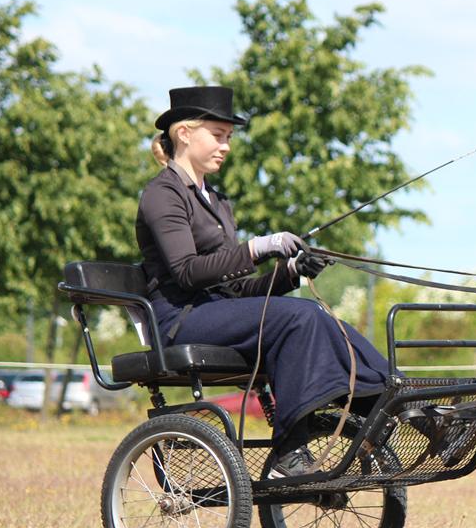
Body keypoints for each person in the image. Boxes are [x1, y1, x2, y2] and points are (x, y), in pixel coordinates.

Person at [136, 85, 392, 475]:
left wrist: (290, 272)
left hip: (218, 312)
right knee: (301, 317)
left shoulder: (218, 202)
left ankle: (397, 404)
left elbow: (238, 289)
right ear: (184, 134)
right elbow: (187, 272)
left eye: (228, 137)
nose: (226, 146)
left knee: (328, 323)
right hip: (181, 319)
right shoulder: (163, 194)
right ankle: (288, 451)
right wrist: (258, 247)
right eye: (218, 135)